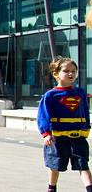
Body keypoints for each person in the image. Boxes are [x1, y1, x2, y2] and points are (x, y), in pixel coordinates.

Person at [37, 56, 92, 192]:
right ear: (56, 74)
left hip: (77, 137)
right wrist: (46, 134)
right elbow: (43, 116)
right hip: (57, 138)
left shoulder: (80, 93)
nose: (71, 74)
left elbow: (85, 111)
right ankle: (52, 188)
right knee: (55, 165)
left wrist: (86, 127)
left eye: (74, 71)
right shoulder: (50, 95)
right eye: (66, 71)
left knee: (83, 164)